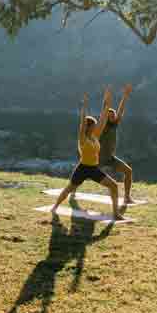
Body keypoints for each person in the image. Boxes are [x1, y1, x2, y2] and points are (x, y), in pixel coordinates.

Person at [50, 87, 124, 221]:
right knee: (68, 190)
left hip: (94, 169)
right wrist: (84, 107)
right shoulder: (82, 139)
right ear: (88, 127)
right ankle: (55, 207)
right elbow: (82, 124)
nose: (97, 127)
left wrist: (107, 101)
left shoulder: (95, 136)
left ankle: (116, 213)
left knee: (114, 186)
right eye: (93, 126)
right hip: (83, 169)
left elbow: (102, 118)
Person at [99, 83, 134, 204]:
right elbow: (104, 110)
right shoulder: (102, 127)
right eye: (110, 115)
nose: (113, 116)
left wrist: (125, 96)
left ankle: (127, 197)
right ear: (106, 118)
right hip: (97, 159)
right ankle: (73, 190)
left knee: (128, 171)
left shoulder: (114, 125)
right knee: (82, 175)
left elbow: (120, 111)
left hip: (109, 158)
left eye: (113, 114)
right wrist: (107, 98)